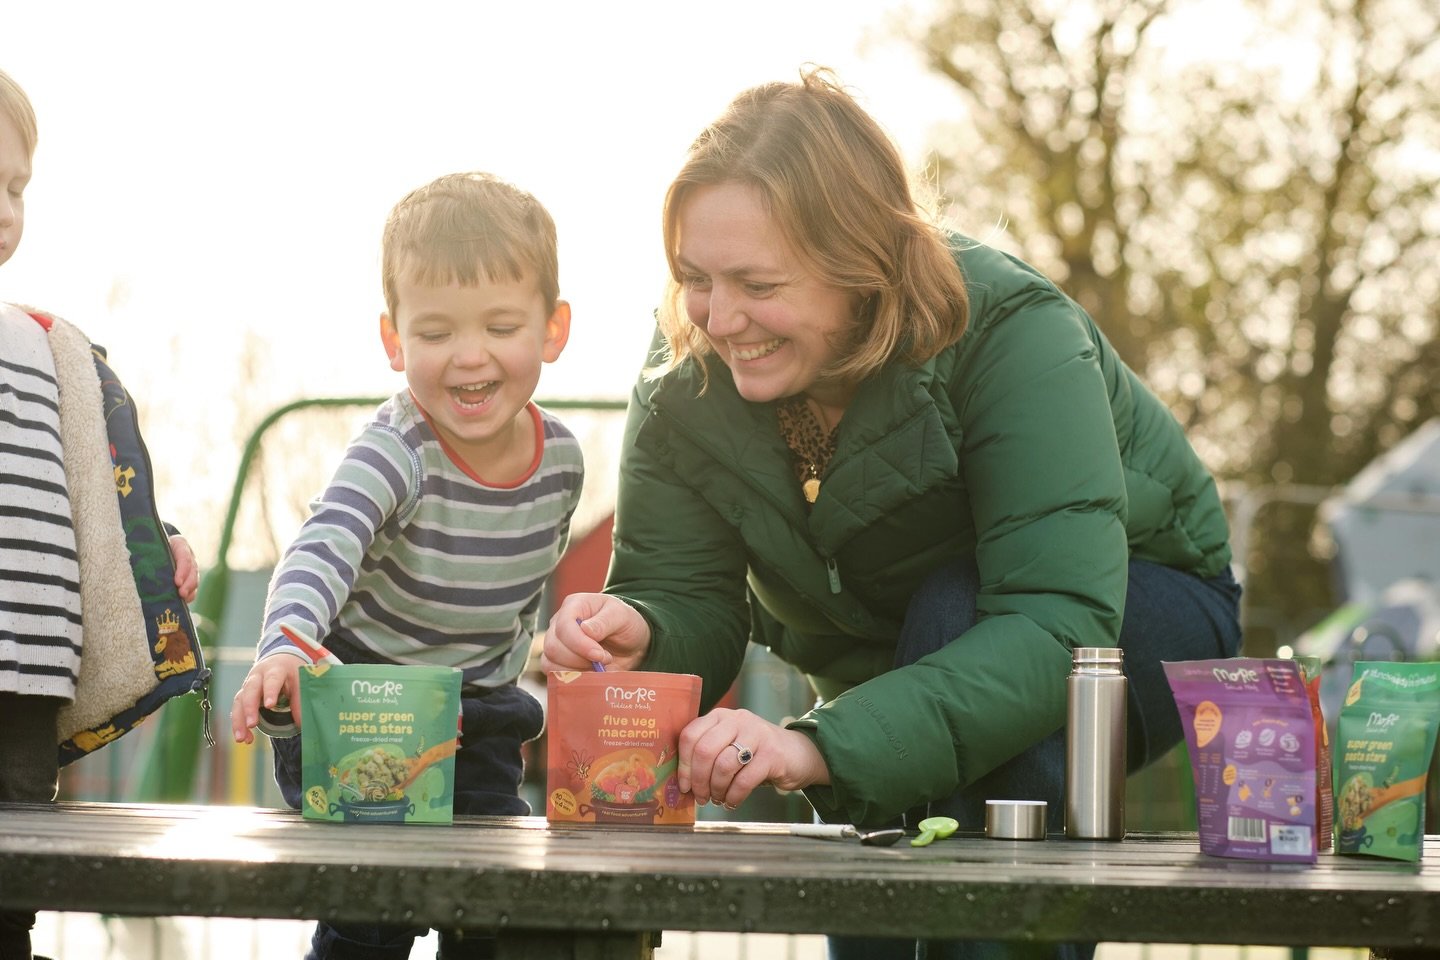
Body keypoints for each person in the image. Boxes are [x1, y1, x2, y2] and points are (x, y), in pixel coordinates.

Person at [542, 68, 1241, 960]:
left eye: (756, 283)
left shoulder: (1015, 330)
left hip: (1135, 610)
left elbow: (1056, 621)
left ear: (858, 262)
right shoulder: (686, 371)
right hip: (900, 658)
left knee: (951, 623)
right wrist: (644, 626)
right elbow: (684, 589)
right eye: (694, 279)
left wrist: (821, 744)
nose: (719, 318)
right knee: (885, 839)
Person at [230, 171, 581, 960]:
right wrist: (286, 639)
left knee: (493, 899)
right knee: (375, 903)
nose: (469, 356)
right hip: (365, 698)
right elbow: (326, 542)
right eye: (435, 333)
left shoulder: (562, 462)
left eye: (499, 325)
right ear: (394, 340)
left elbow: (521, 593)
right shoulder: (396, 449)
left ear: (552, 330)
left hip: (479, 708)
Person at [0, 66, 199, 960]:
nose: (7, 207)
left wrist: (153, 546)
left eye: (16, 187)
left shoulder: (43, 345)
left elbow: (89, 483)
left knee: (14, 879)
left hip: (30, 671)